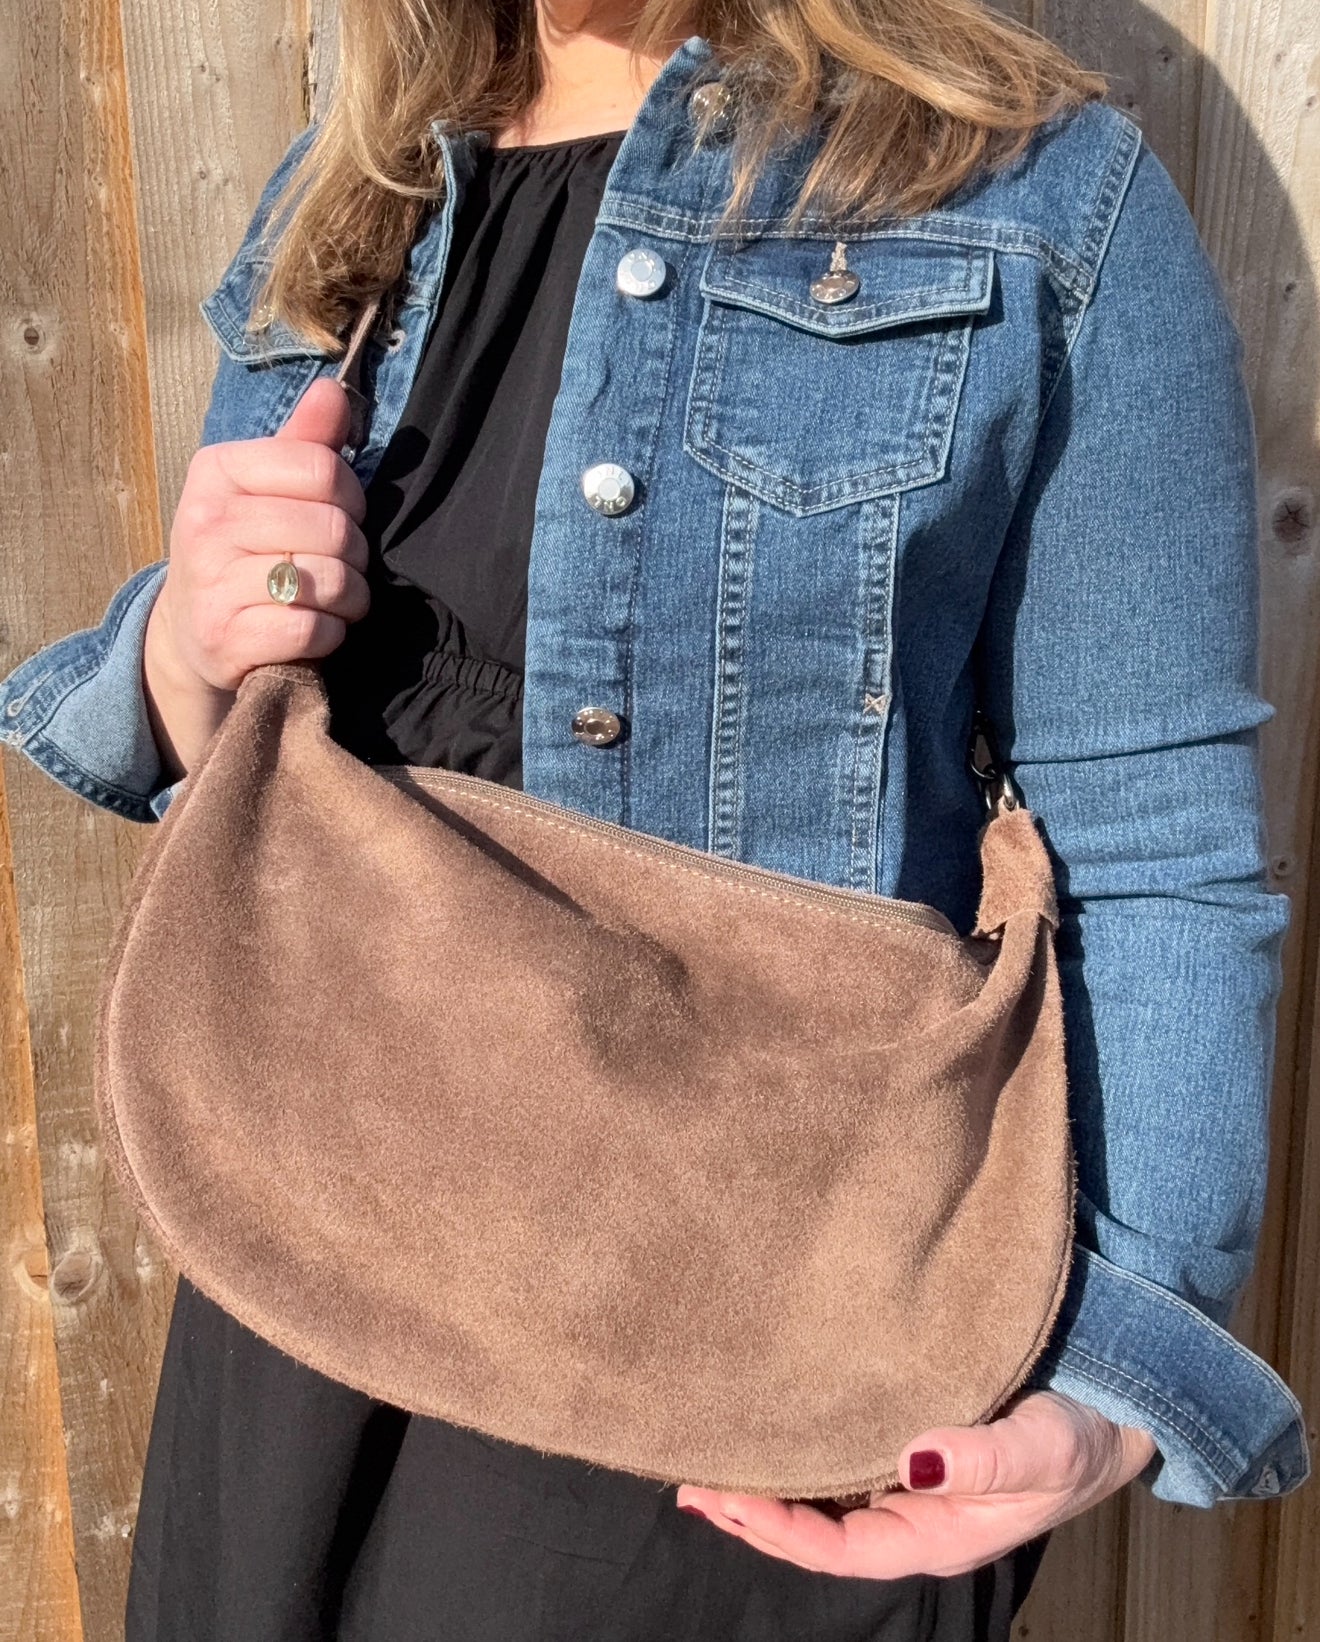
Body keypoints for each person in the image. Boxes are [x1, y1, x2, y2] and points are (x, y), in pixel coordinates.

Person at [0, 1, 1308, 1638]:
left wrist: (1118, 1370)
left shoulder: (1035, 199)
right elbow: (257, 746)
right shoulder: (362, 193)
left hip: (759, 1343)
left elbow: (1158, 841)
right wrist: (182, 648)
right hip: (315, 1277)